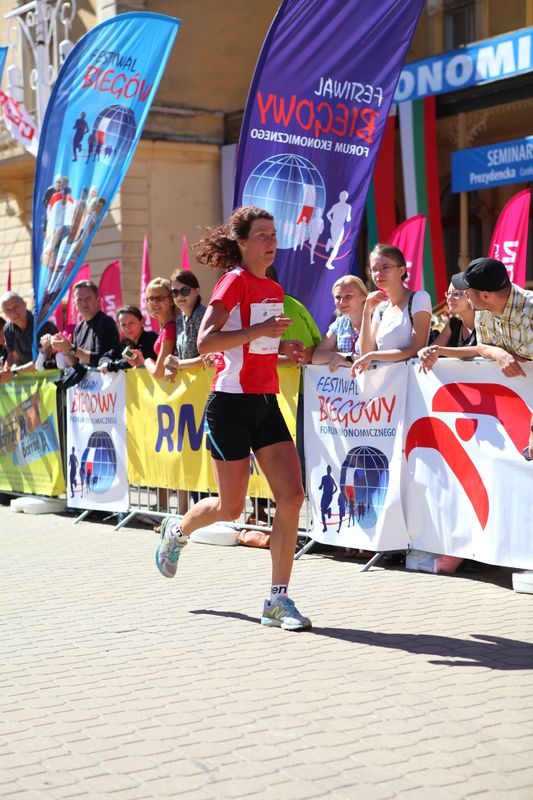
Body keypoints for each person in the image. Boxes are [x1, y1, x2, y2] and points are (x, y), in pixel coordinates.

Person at [154, 205, 311, 632]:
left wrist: (283, 349)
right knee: (231, 506)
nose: (272, 241)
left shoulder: (273, 287)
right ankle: (178, 530)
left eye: (274, 234)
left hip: (265, 401)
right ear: (242, 243)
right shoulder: (233, 281)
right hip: (229, 404)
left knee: (292, 496)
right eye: (262, 235)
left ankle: (277, 600)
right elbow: (206, 341)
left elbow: (256, 349)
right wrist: (261, 332)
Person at [451, 257, 533, 459]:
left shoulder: (530, 310)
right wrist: (499, 353)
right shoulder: (483, 309)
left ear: (485, 295)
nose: (464, 294)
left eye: (467, 290)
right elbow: (482, 345)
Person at [351, 243, 432, 374]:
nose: (379, 273)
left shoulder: (420, 298)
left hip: (410, 380)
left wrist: (373, 355)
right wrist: (366, 312)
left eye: (385, 267)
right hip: (384, 381)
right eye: (374, 269)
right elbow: (365, 353)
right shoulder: (381, 308)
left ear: (402, 270)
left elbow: (416, 348)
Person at [51, 280, 119, 367]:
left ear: (98, 300)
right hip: (85, 376)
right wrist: (65, 349)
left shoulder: (105, 322)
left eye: (88, 298)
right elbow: (75, 363)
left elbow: (102, 359)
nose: (84, 303)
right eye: (79, 299)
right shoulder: (78, 328)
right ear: (75, 304)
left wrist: (71, 348)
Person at [418, 278, 479, 373]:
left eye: (456, 294)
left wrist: (440, 350)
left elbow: (482, 350)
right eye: (448, 294)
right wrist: (422, 352)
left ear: (470, 295)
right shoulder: (453, 323)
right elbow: (432, 348)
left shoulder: (484, 322)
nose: (449, 299)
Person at [312, 275, 368, 371]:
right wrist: (348, 357)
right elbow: (316, 358)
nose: (342, 302)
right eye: (338, 297)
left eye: (348, 296)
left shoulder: (375, 319)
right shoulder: (339, 323)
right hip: (349, 380)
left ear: (363, 296)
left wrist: (344, 360)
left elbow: (366, 359)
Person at [0, 291, 58, 384]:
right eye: (8, 310)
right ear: (5, 314)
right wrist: (5, 370)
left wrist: (14, 373)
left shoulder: (43, 324)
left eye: (16, 307)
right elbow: (13, 357)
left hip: (50, 379)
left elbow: (42, 361)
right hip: (27, 379)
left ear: (25, 304)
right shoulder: (8, 329)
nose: (13, 312)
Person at [125, 279, 176, 379]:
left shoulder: (169, 329)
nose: (154, 302)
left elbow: (158, 373)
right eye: (151, 298)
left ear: (171, 300)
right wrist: (141, 361)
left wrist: (147, 361)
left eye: (160, 298)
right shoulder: (166, 327)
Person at [163, 269, 208, 380]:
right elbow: (178, 354)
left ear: (196, 291)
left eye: (184, 291)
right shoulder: (180, 318)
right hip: (190, 384)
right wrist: (170, 365)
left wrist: (179, 364)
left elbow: (211, 356)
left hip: (206, 381)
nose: (179, 296)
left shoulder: (203, 316)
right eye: (174, 292)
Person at [98, 305, 157, 373]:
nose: (127, 328)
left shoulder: (151, 338)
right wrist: (106, 364)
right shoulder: (124, 344)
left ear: (141, 321)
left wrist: (110, 366)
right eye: (123, 325)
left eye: (131, 323)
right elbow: (104, 358)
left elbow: (135, 360)